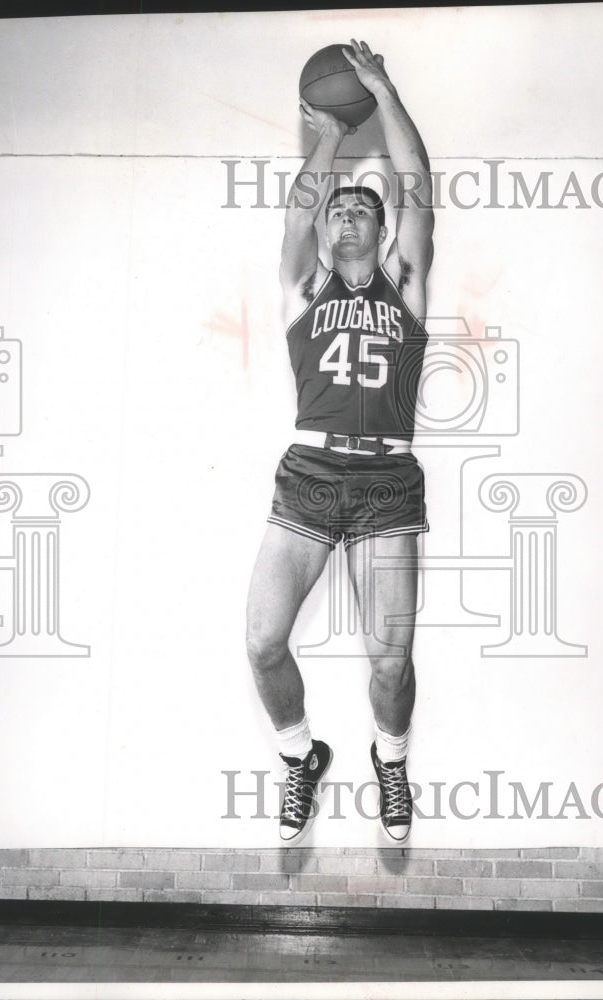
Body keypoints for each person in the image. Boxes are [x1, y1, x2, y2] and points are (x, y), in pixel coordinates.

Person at [246, 39, 434, 844]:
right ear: (326, 232)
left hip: (388, 482)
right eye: (337, 206)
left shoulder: (407, 282)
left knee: (389, 663)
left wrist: (381, 89)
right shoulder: (305, 284)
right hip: (310, 472)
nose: (348, 206)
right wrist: (326, 134)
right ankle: (300, 757)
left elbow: (418, 185)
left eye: (364, 202)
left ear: (384, 228)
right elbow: (298, 208)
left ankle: (390, 764)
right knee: (261, 643)